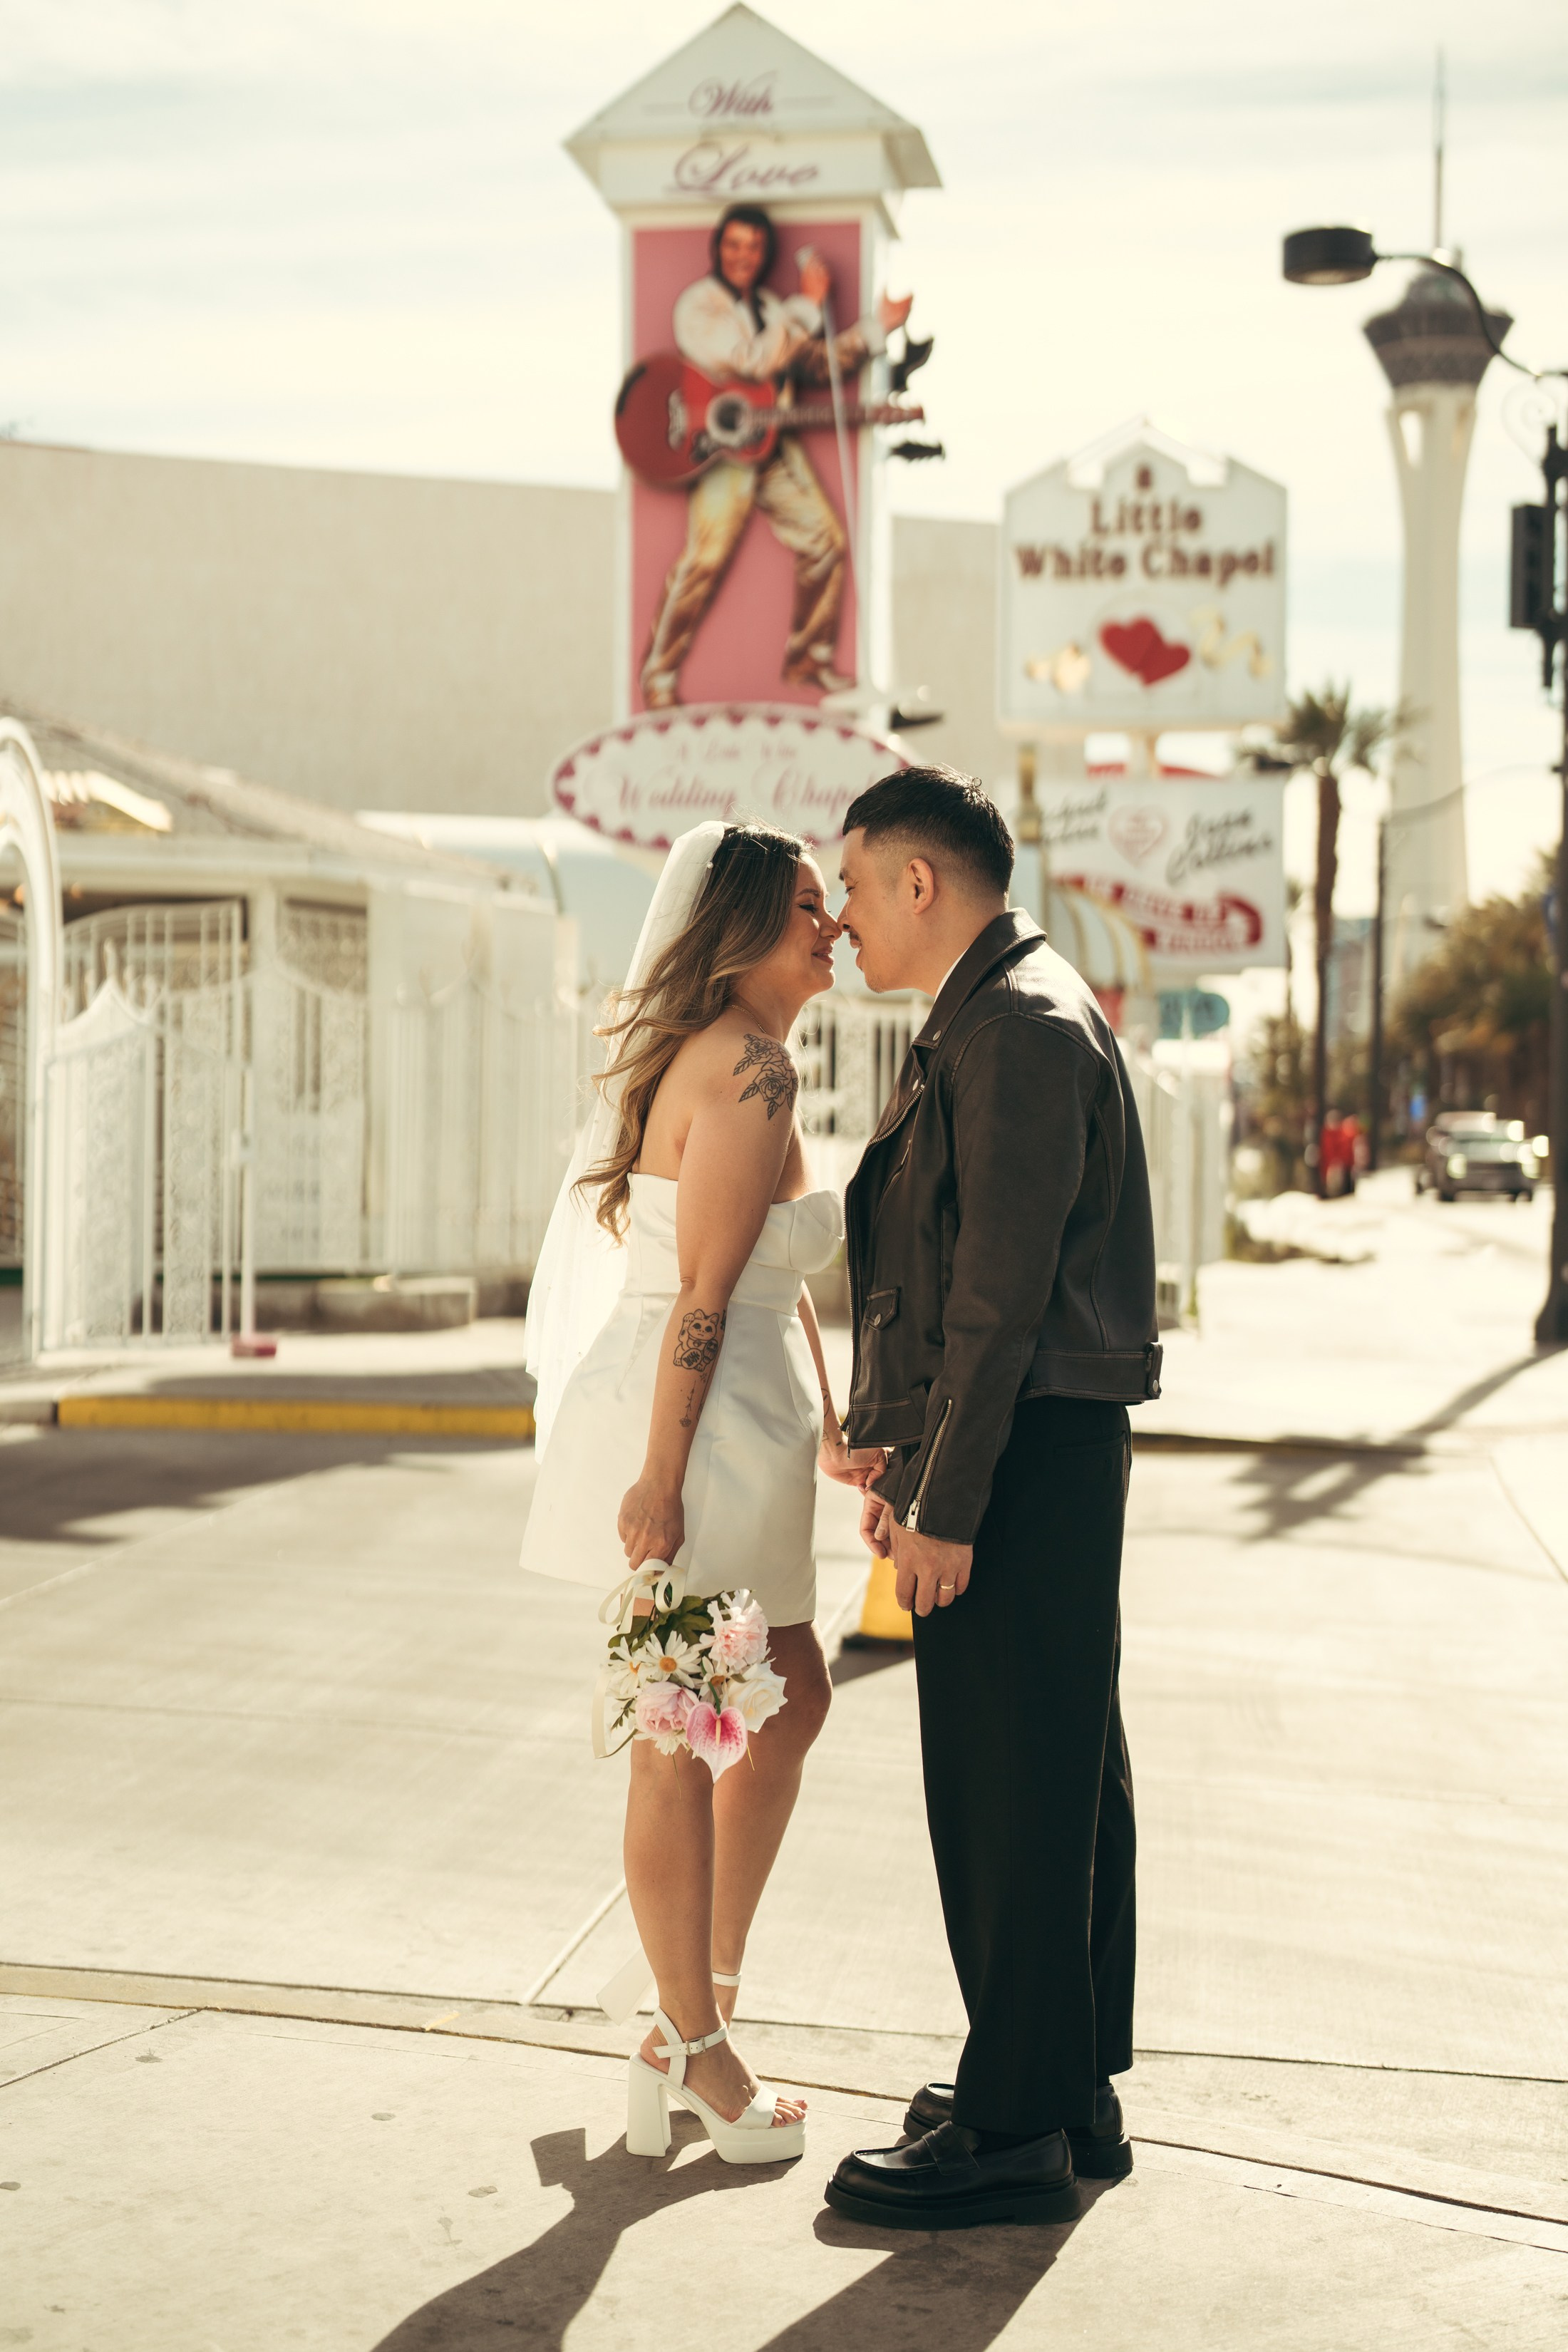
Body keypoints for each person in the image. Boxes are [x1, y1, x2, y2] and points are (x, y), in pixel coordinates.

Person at [822, 767, 1162, 2232]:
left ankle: (1014, 2124)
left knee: (1009, 1782)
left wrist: (945, 1502)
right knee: (1057, 1768)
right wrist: (906, 1458)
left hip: (1020, 1455)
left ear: (920, 882)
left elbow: (996, 1300)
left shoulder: (1013, 1026)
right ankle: (1060, 2089)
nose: (840, 917)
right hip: (1023, 1446)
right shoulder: (997, 1011)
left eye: (852, 885)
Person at [520, 820, 882, 2166]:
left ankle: (694, 2001)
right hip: (700, 1427)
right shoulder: (748, 1068)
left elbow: (769, 1273)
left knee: (791, 1696)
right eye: (806, 909)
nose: (831, 927)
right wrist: (662, 1480)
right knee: (680, 1731)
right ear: (739, 933)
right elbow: (706, 1297)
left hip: (747, 1421)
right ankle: (696, 2044)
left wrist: (832, 1425)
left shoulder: (750, 1059)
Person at [639, 202, 913, 710]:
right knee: (704, 561)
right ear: (718, 248)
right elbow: (750, 361)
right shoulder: (698, 305)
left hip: (770, 444)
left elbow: (812, 365)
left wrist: (878, 328)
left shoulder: (771, 308)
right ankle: (659, 673)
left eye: (753, 247)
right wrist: (806, 306)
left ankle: (808, 657)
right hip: (720, 450)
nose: (743, 256)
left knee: (825, 540)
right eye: (733, 245)